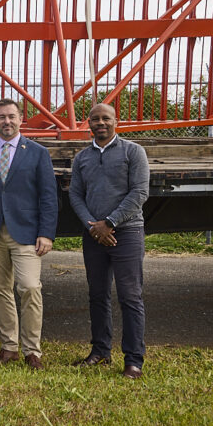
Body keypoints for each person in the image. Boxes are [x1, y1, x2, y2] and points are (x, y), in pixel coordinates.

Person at [0, 98, 57, 370]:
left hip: (27, 233)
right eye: (1, 117)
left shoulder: (37, 152)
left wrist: (46, 233)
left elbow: (48, 196)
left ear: (21, 119)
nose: (6, 121)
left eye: (11, 116)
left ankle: (33, 350)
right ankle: (9, 348)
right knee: (1, 290)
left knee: (30, 287)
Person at [69, 103, 149, 379]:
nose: (100, 123)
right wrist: (93, 226)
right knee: (97, 294)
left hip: (126, 233)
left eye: (106, 118)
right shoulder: (81, 158)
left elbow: (139, 192)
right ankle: (100, 352)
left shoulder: (133, 151)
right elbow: (75, 196)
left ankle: (133, 360)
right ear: (88, 123)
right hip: (93, 235)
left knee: (130, 296)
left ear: (116, 121)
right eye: (95, 119)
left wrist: (110, 223)